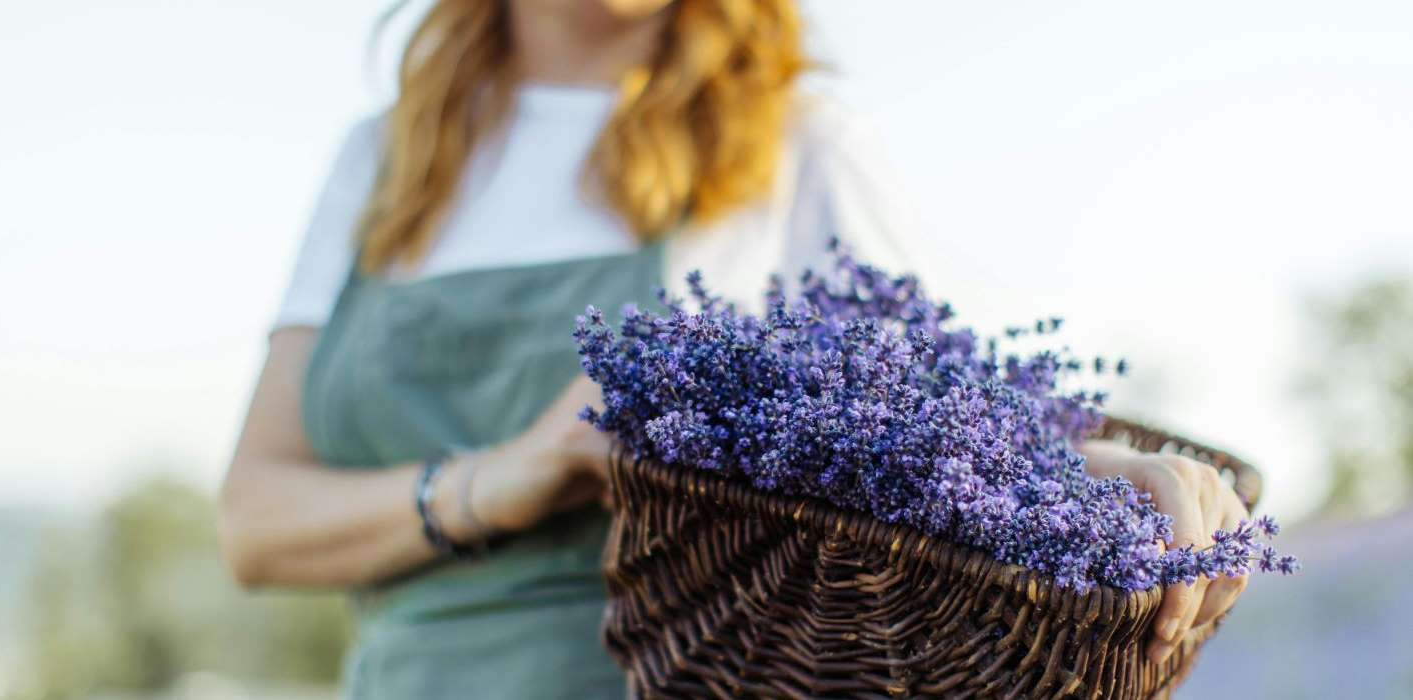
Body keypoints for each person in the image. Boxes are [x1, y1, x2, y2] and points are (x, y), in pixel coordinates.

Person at [218, 1, 1250, 696]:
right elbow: (255, 520)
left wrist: (1098, 476)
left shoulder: (791, 145)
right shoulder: (388, 160)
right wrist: (504, 477)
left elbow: (929, 433)